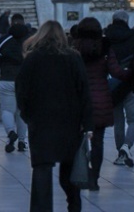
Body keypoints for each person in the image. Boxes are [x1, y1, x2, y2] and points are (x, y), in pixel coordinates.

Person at [16, 20, 92, 212]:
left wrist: (27, 115)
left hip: (40, 122)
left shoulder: (32, 59)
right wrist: (87, 122)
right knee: (69, 168)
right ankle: (74, 206)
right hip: (69, 121)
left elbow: (21, 90)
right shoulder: (73, 58)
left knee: (42, 168)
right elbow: (84, 91)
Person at [73, 16, 128, 191]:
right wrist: (133, 72)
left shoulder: (74, 47)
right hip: (100, 98)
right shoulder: (104, 48)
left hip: (78, 100)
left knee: (77, 139)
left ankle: (80, 174)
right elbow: (116, 72)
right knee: (98, 141)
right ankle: (94, 178)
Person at [105, 10, 134, 168]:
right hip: (130, 82)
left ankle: (120, 152)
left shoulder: (105, 38)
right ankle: (126, 147)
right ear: (126, 21)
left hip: (112, 83)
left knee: (118, 120)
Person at [0, 23, 29, 153]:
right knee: (21, 111)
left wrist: (4, 67)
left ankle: (10, 132)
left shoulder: (4, 41)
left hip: (7, 78)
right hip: (25, 80)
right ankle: (22, 141)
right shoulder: (29, 41)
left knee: (7, 110)